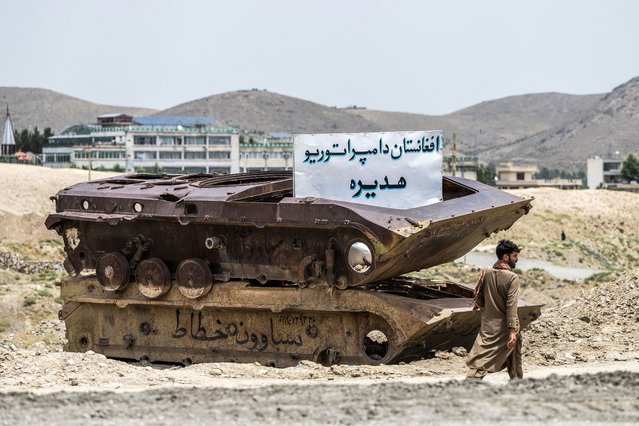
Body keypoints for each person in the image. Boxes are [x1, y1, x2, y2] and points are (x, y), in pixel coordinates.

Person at [466, 239, 523, 380]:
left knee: (514, 356)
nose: (517, 259)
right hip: (505, 326)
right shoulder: (512, 277)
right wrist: (512, 331)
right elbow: (511, 306)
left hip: (488, 323)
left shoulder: (487, 273)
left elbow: (479, 299)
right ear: (505, 257)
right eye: (514, 256)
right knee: (482, 360)